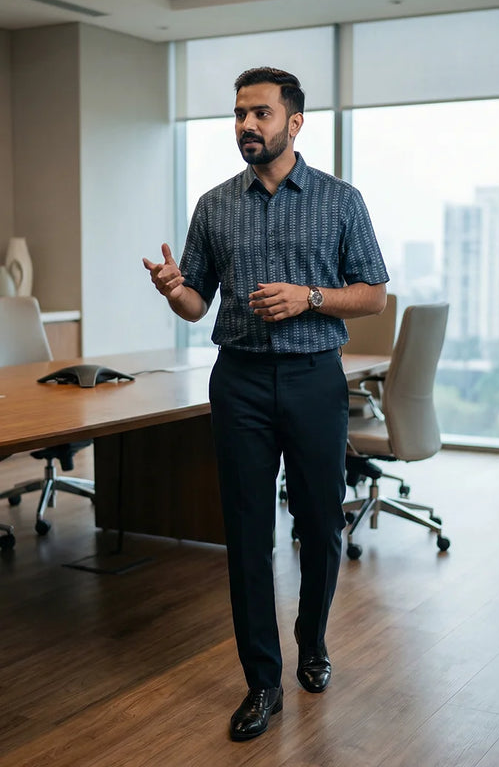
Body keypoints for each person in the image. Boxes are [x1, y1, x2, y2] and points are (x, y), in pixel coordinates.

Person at [143, 66, 389, 742]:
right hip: (240, 380)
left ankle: (311, 643)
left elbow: (372, 293)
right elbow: (197, 305)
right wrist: (173, 289)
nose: (247, 125)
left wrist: (308, 296)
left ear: (294, 122)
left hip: (314, 378)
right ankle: (262, 681)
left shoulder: (341, 200)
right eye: (239, 114)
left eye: (260, 114)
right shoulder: (215, 205)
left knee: (318, 522)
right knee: (247, 533)